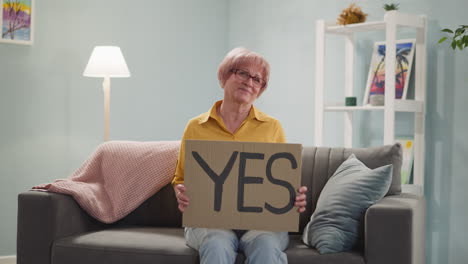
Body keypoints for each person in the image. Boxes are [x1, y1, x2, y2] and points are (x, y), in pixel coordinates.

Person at [172, 47, 307, 264]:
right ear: (225, 76)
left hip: (262, 223)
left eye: (257, 79)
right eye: (242, 73)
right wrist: (181, 192)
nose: (249, 82)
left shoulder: (272, 127)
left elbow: (283, 183)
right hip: (210, 221)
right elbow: (181, 178)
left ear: (261, 88)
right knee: (216, 241)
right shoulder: (195, 126)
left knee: (265, 243)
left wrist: (294, 198)